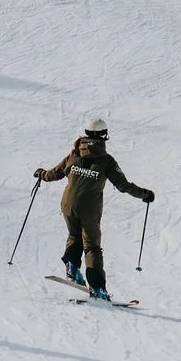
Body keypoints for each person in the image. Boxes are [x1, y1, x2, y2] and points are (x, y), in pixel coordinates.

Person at [34, 117, 154, 301]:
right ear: (104, 135)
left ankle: (72, 267)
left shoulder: (74, 154)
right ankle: (97, 287)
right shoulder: (106, 161)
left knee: (74, 235)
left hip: (67, 204)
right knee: (92, 247)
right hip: (89, 208)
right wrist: (145, 194)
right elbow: (123, 185)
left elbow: (54, 173)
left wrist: (41, 174)